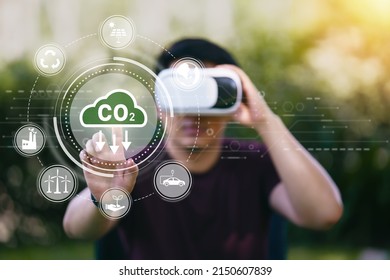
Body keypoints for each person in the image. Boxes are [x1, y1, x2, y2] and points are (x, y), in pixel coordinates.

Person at [63, 38, 343, 259]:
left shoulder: (255, 162)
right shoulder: (133, 166)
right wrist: (104, 199)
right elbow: (75, 227)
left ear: (233, 100)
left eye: (209, 93)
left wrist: (264, 119)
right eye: (179, 93)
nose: (193, 112)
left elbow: (324, 214)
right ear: (160, 105)